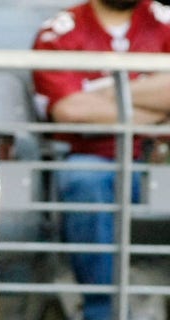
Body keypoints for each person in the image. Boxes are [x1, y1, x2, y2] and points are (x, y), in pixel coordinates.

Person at [32, 0, 170, 319]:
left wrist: (105, 91)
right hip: (95, 157)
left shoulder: (163, 20)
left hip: (159, 161)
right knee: (84, 177)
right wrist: (155, 114)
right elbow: (70, 111)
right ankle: (103, 313)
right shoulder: (61, 31)